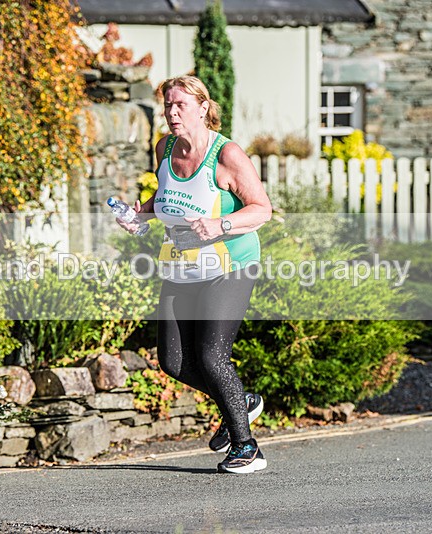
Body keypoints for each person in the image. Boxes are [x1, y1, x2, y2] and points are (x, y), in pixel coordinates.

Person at [115, 75, 272, 474]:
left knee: (211, 356)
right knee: (172, 360)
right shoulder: (164, 148)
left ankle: (247, 448)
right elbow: (166, 196)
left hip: (230, 264)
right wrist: (141, 215)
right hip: (182, 264)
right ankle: (242, 402)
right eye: (168, 105)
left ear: (203, 107)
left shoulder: (227, 155)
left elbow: (261, 210)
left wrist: (220, 225)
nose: (171, 113)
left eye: (180, 105)